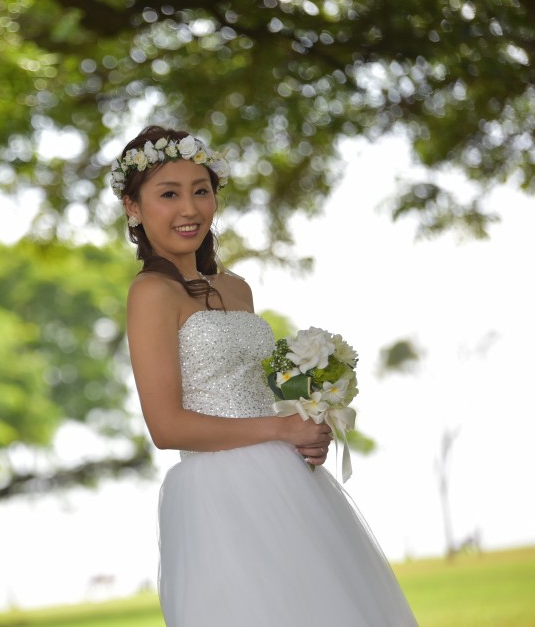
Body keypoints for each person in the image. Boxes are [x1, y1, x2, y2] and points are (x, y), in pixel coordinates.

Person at [114, 125, 417, 626]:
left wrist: (305, 427)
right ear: (133, 207)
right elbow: (166, 427)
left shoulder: (236, 288)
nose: (189, 209)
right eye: (168, 194)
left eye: (201, 191)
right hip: (220, 495)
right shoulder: (150, 293)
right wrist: (281, 429)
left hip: (290, 483)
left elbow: (254, 391)